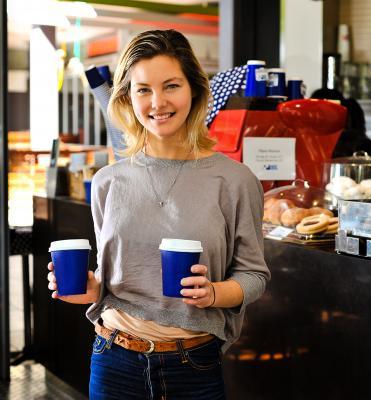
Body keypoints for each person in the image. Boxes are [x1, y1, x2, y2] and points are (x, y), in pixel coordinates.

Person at [47, 29, 270, 400]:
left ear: (194, 90)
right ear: (127, 97)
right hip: (112, 357)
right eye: (143, 89)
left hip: (192, 365)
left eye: (171, 86)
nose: (157, 102)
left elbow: (254, 276)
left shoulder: (234, 180)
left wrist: (213, 293)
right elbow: (112, 277)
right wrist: (92, 289)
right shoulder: (107, 182)